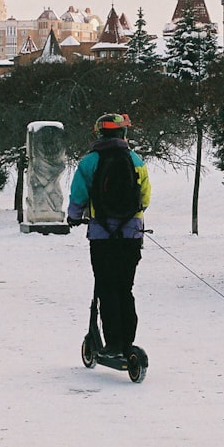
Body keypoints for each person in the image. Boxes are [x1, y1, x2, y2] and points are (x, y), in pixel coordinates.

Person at [67, 114, 151, 358]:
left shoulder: (89, 162)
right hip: (131, 236)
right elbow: (144, 199)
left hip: (102, 236)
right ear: (123, 134)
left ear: (99, 134)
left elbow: (78, 196)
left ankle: (113, 343)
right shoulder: (136, 161)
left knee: (106, 286)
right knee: (125, 288)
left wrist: (74, 217)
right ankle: (128, 342)